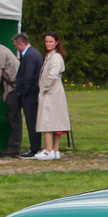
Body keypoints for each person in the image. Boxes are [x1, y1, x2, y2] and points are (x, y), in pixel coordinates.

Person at [35, 31, 71, 161]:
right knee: (54, 121)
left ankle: (50, 149)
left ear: (56, 42)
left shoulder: (56, 57)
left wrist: (44, 89)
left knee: (48, 121)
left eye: (51, 41)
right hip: (52, 92)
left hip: (51, 92)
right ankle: (55, 150)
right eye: (46, 41)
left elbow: (52, 75)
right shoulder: (50, 56)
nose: (48, 44)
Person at [0, 39, 21, 157]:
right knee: (13, 118)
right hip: (12, 88)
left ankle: (14, 147)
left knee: (14, 118)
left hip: (13, 89)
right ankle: (13, 146)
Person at [13, 33, 43, 158]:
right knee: (32, 121)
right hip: (31, 93)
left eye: (16, 46)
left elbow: (28, 77)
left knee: (32, 122)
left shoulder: (30, 56)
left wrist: (22, 92)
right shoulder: (33, 53)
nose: (16, 48)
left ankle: (35, 148)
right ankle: (35, 147)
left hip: (30, 95)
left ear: (21, 44)